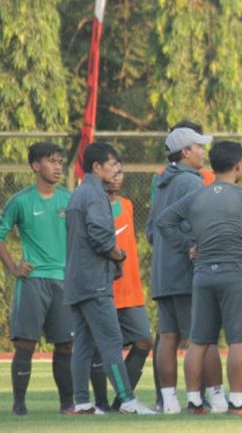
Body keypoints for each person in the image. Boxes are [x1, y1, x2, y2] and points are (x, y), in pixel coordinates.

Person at [156, 141, 242, 415]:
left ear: (212, 166)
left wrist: (188, 245)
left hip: (202, 275)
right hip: (234, 272)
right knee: (237, 340)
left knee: (198, 341)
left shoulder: (198, 195)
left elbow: (163, 221)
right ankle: (236, 403)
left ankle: (194, 403)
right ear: (239, 167)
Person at [64, 142, 155, 415]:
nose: (117, 171)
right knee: (110, 342)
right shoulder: (95, 194)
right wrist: (118, 255)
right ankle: (128, 401)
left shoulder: (79, 193)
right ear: (96, 167)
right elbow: (102, 237)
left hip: (77, 281)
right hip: (95, 281)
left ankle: (82, 403)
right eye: (113, 165)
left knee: (82, 344)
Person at [0, 142, 74, 416]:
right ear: (36, 166)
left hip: (64, 282)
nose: (58, 166)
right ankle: (19, 406)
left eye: (60, 161)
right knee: (25, 343)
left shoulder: (69, 199)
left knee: (65, 344)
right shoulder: (21, 201)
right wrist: (14, 267)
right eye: (52, 161)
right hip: (33, 282)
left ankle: (67, 405)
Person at [146, 124, 218, 414]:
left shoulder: (162, 182)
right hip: (186, 273)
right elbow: (202, 224)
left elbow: (152, 230)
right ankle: (204, 398)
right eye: (199, 147)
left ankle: (169, 401)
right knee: (201, 337)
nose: (203, 152)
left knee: (168, 336)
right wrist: (190, 243)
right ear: (186, 151)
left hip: (162, 273)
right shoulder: (191, 182)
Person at [89, 169, 154, 413]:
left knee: (144, 341)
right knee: (100, 346)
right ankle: (101, 404)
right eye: (112, 170)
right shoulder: (90, 205)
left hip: (130, 289)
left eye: (121, 171)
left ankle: (121, 402)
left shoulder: (127, 205)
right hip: (101, 287)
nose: (117, 176)